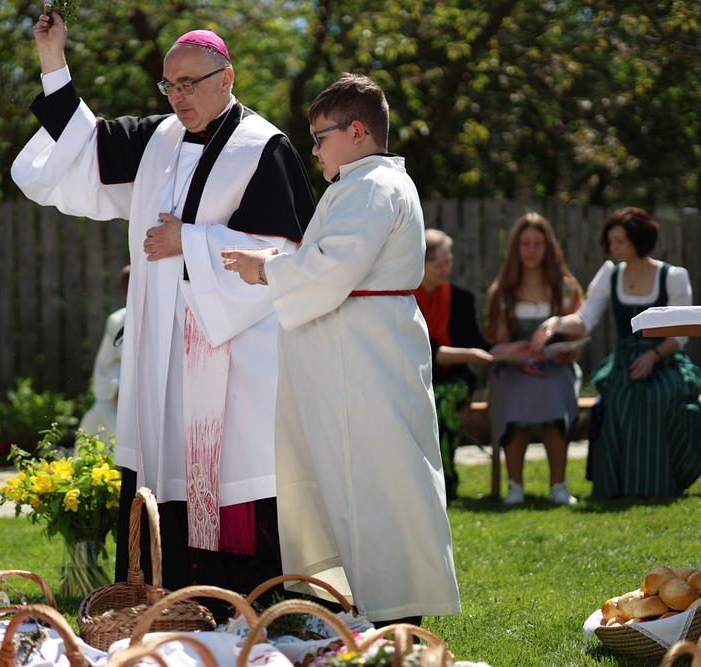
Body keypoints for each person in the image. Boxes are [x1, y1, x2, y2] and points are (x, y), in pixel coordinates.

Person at [10, 11, 316, 602]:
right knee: (160, 464)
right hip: (161, 349)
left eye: (190, 84)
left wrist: (190, 241)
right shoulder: (158, 139)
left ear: (226, 79)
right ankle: (161, 595)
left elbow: (283, 254)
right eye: (169, 85)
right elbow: (82, 147)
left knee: (228, 472)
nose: (178, 97)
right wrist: (54, 59)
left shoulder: (263, 148)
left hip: (232, 352)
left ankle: (245, 599)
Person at [223, 73, 460, 626]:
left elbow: (334, 266)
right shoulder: (361, 183)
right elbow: (335, 261)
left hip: (365, 358)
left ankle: (393, 614)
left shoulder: (371, 185)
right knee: (350, 478)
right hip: (354, 353)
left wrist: (266, 270)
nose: (314, 150)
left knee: (376, 478)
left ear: (356, 131)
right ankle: (358, 604)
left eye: (320, 137)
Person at [531, 207, 701, 499]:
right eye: (611, 241)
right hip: (624, 360)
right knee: (614, 400)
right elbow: (585, 319)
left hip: (665, 358)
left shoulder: (672, 276)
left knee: (660, 398)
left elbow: (680, 334)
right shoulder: (610, 274)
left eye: (620, 240)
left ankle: (659, 483)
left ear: (639, 240)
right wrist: (556, 323)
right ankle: (616, 487)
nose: (614, 247)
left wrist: (653, 356)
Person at [484, 213, 584, 506]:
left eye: (538, 243)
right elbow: (498, 343)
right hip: (514, 369)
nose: (531, 250)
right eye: (525, 243)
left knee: (553, 393)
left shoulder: (566, 288)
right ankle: (515, 486)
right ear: (515, 247)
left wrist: (567, 352)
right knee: (516, 397)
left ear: (548, 246)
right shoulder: (502, 292)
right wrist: (517, 355)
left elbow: (577, 338)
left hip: (555, 368)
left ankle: (559, 486)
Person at [412, 229, 495, 502]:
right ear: (421, 263)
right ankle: (420, 483)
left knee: (442, 401)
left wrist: (509, 349)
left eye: (449, 262)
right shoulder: (405, 299)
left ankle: (446, 483)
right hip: (414, 379)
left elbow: (478, 343)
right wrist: (468, 353)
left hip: (455, 380)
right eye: (439, 264)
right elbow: (422, 350)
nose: (447, 269)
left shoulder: (462, 298)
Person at [79, 266, 131, 436]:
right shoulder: (118, 321)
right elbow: (105, 366)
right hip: (125, 394)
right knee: (99, 413)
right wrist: (118, 389)